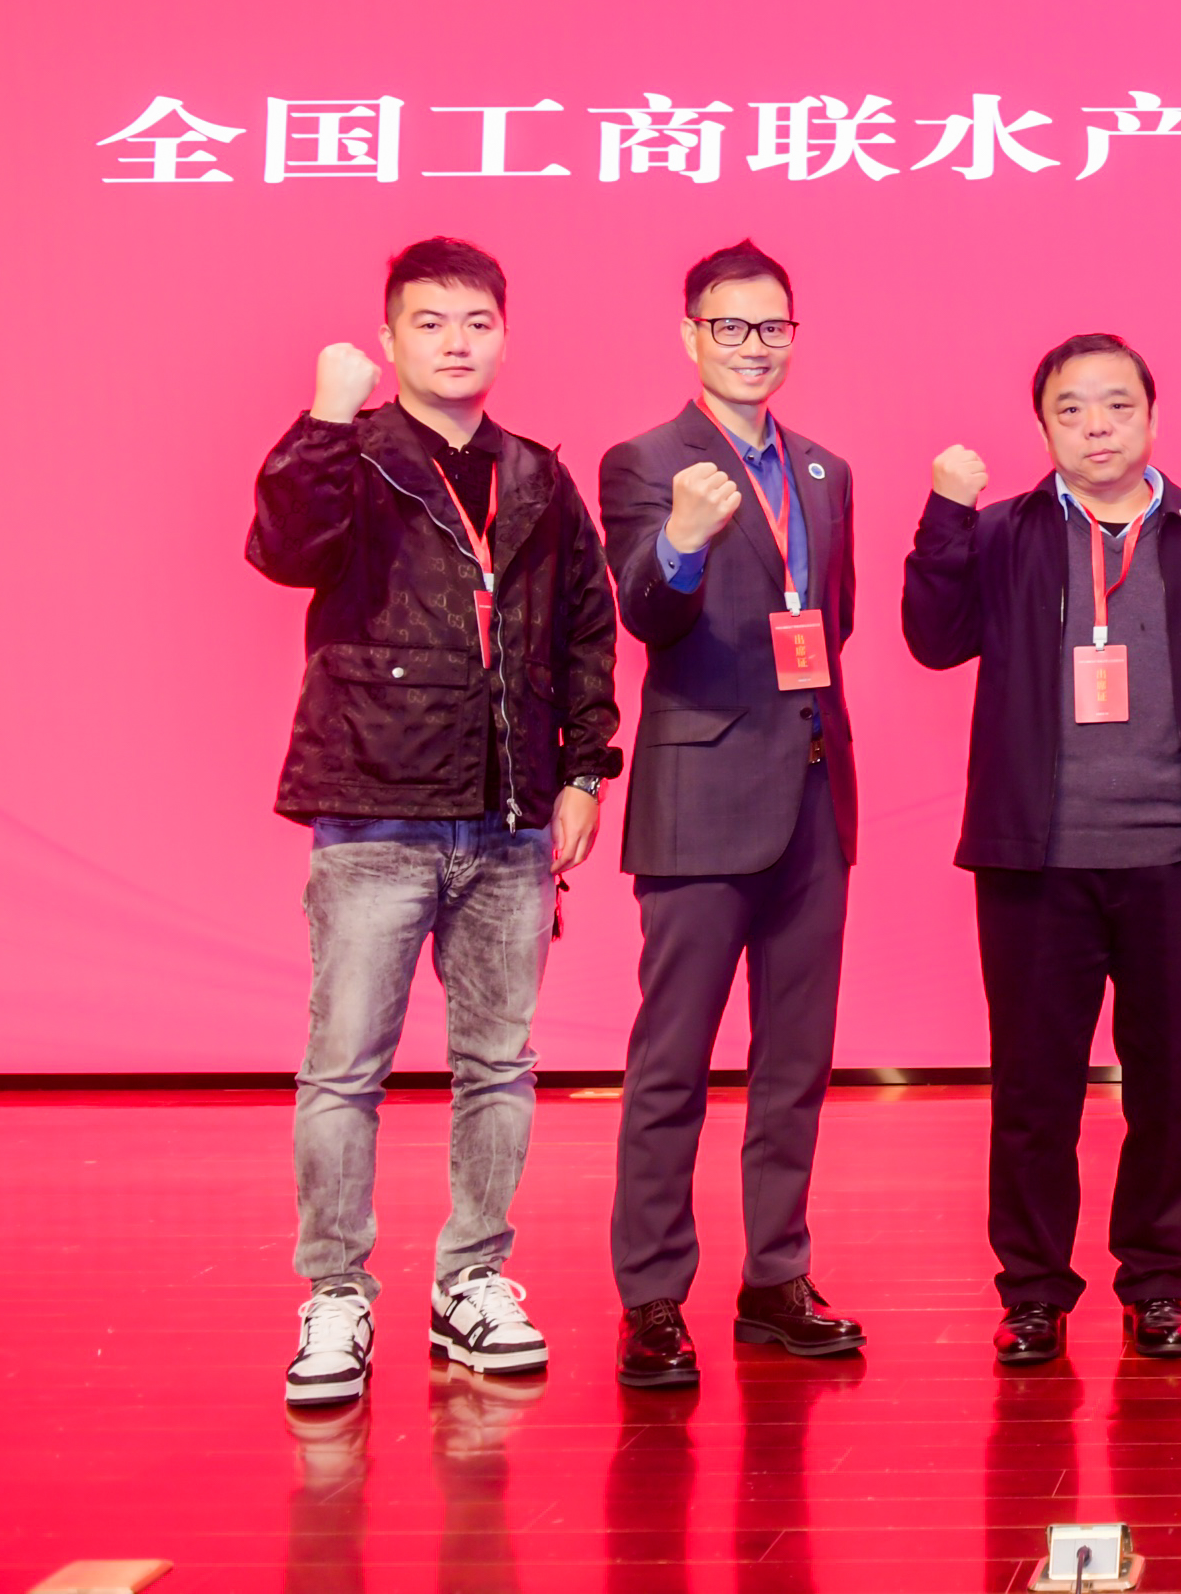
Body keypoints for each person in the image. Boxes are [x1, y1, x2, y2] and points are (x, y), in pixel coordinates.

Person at [249, 237, 620, 1407]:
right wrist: (322, 417)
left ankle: (473, 1279)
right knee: (343, 1071)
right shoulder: (355, 455)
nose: (456, 343)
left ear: (504, 335)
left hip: (509, 822)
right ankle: (335, 1296)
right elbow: (283, 550)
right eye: (430, 322)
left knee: (497, 1067)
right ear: (390, 337)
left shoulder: (537, 475)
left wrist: (584, 770)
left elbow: (585, 627)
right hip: (375, 810)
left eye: (476, 322)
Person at [906, 333, 1181, 1367]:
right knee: (1035, 1092)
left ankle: (1157, 1283)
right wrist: (943, 514)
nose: (1096, 426)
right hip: (1035, 863)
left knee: (1173, 1085)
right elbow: (933, 638)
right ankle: (1033, 1292)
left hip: (1173, 856)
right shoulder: (1003, 533)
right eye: (1070, 409)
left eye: (1116, 405)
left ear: (1152, 417)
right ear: (1043, 428)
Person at [597, 241, 864, 1390]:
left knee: (794, 1062)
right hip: (701, 800)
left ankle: (775, 1279)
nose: (753, 347)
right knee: (672, 1064)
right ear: (690, 335)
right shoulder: (646, 461)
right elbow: (646, 614)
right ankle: (653, 1298)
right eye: (730, 327)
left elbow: (832, 623)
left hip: (812, 793)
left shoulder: (825, 472)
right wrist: (683, 540)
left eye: (771, 328)